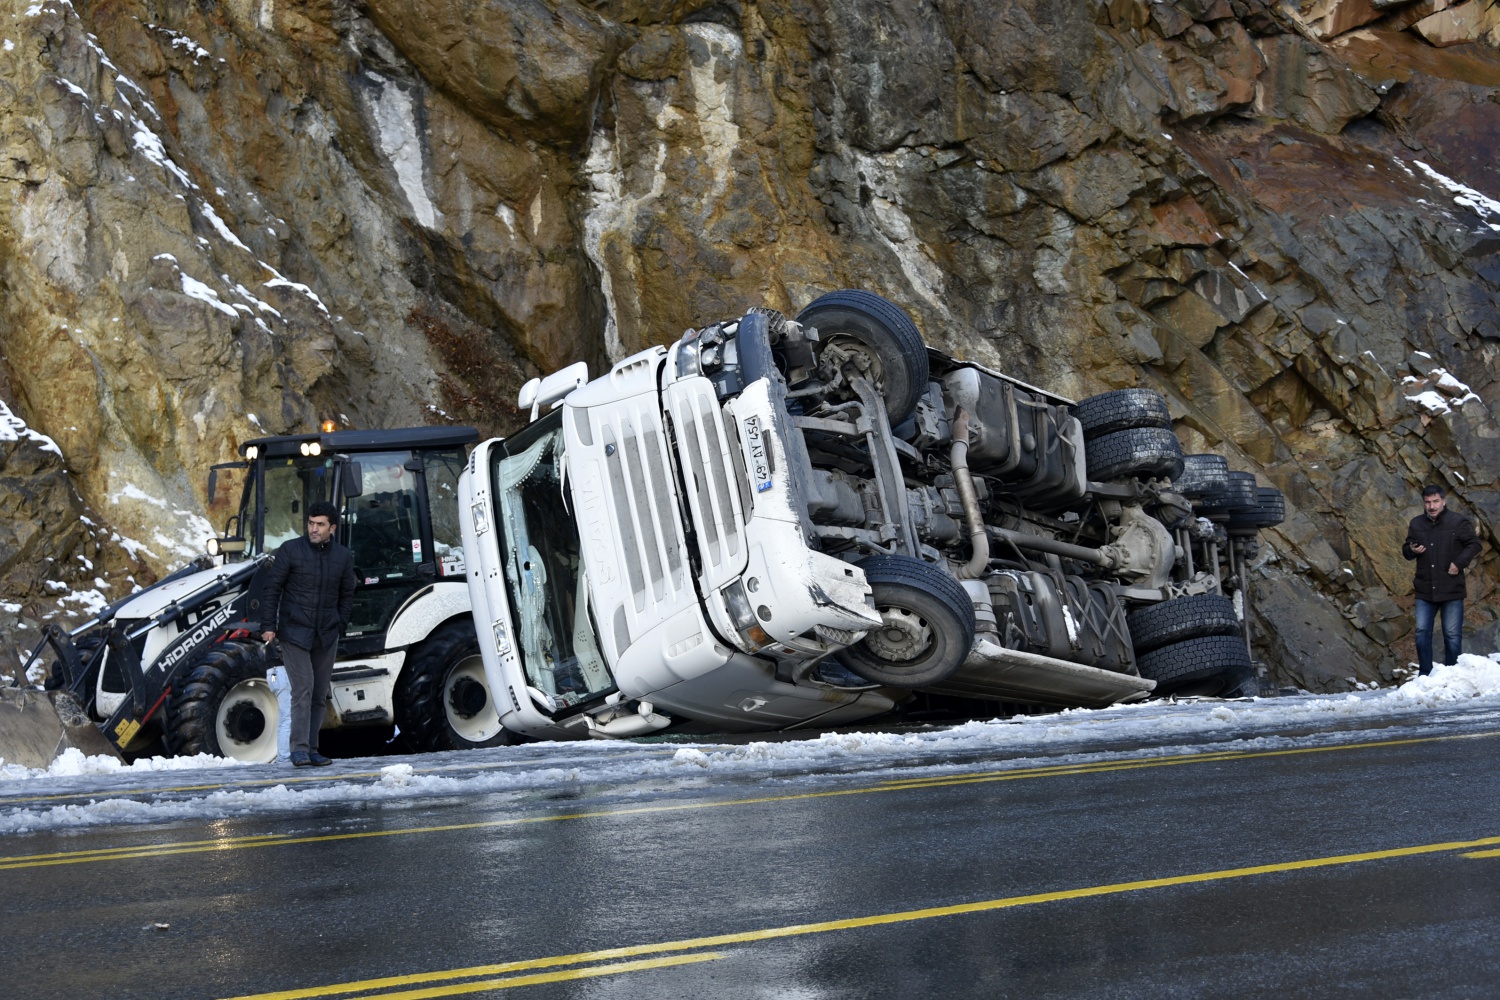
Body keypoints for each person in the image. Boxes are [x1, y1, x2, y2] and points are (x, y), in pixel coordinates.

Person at [259, 500, 357, 766]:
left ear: (332, 528)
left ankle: (312, 749)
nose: (314, 529)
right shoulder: (290, 550)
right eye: (311, 523)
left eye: (320, 524)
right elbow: (272, 588)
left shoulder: (342, 556)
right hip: (294, 632)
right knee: (303, 689)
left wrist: (340, 624)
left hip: (326, 634)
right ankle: (299, 749)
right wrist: (268, 626)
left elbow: (348, 593)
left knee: (319, 694)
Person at [1402, 484, 1481, 675]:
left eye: (1436, 501)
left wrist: (1459, 563)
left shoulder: (1458, 522)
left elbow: (1474, 544)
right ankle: (1425, 675)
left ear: (1444, 501)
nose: (1432, 506)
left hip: (1451, 587)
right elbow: (1406, 550)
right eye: (1428, 502)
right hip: (1425, 588)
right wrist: (1411, 549)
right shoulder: (1416, 523)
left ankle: (1452, 676)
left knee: (1452, 635)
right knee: (1422, 633)